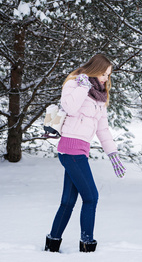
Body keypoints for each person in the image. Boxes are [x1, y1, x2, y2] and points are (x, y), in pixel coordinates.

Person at [44, 53, 126, 253]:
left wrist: (112, 153)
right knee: (91, 197)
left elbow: (102, 129)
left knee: (68, 201)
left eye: (109, 75)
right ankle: (87, 246)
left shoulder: (100, 96)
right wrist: (82, 86)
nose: (106, 78)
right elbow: (69, 107)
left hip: (79, 150)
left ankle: (52, 244)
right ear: (95, 69)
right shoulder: (75, 83)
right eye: (104, 74)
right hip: (70, 148)